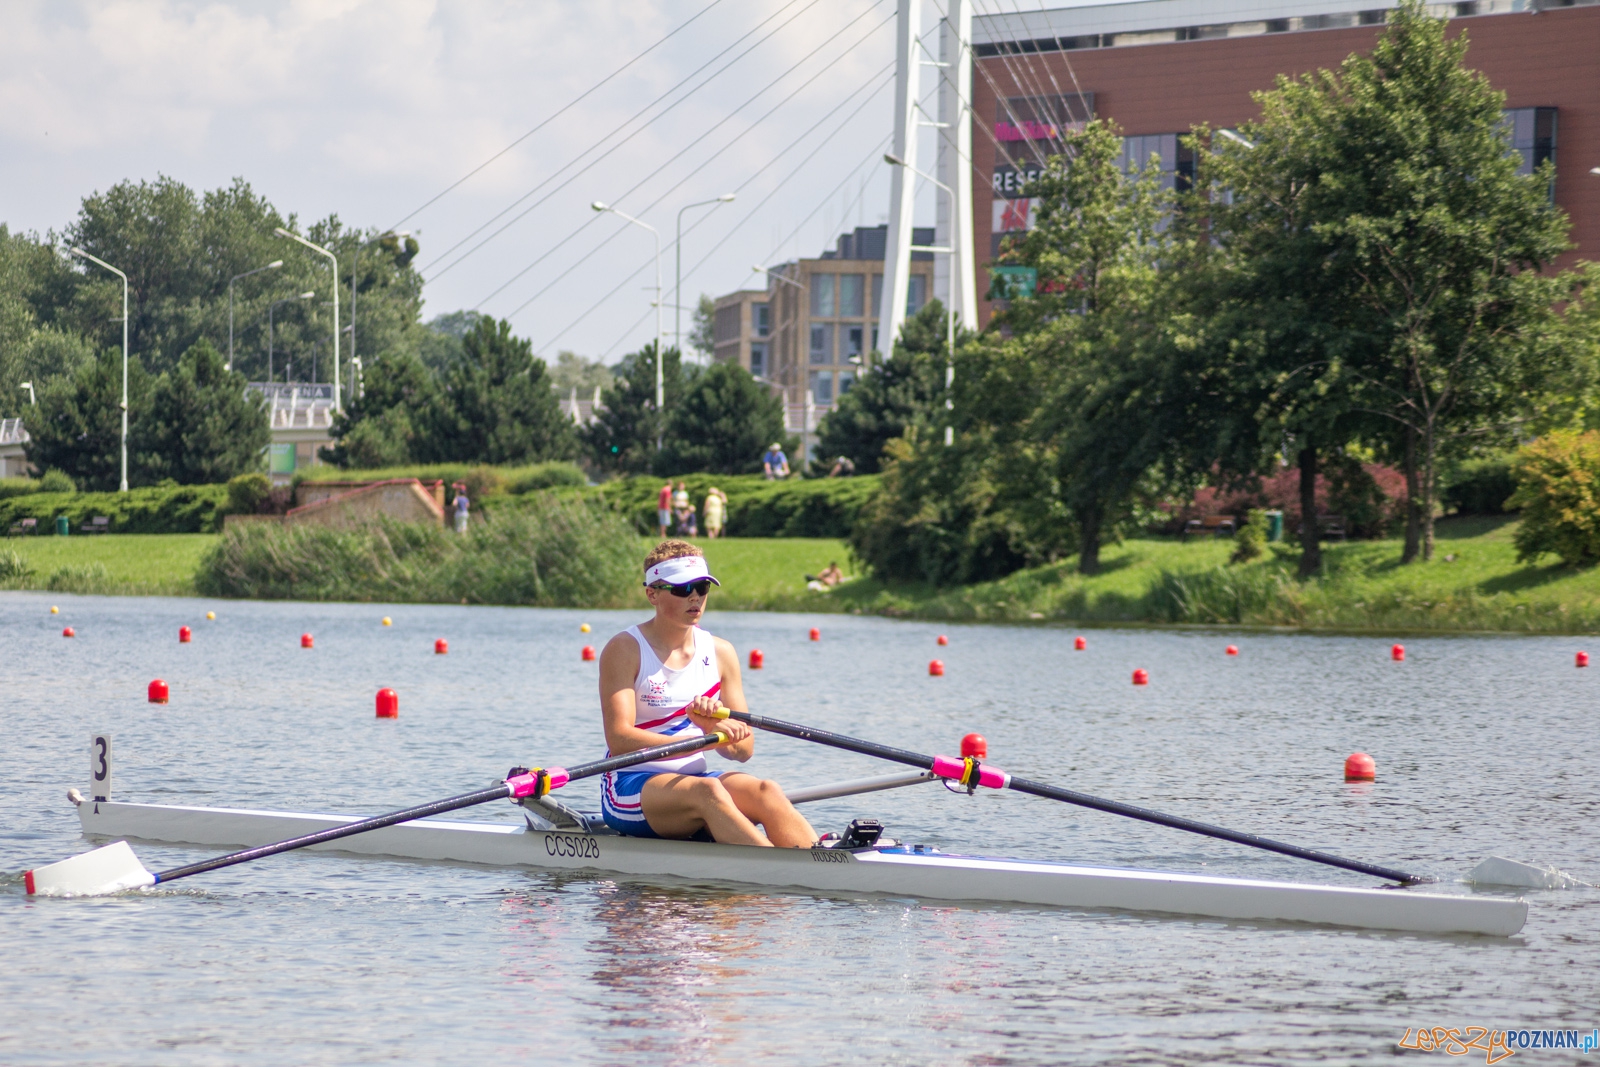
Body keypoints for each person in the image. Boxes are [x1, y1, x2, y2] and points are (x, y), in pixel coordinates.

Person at [597, 541, 817, 846]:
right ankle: (775, 880)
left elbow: (744, 750)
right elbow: (619, 740)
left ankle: (823, 864)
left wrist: (711, 729)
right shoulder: (625, 649)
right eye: (682, 589)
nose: (695, 597)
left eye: (702, 587)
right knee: (710, 792)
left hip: (695, 781)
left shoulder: (721, 652)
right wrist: (692, 742)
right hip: (630, 783)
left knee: (767, 790)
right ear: (652, 594)